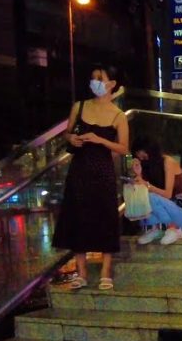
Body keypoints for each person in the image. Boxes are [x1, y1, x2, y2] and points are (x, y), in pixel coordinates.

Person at [53, 65, 129, 290]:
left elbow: (124, 147)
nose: (95, 82)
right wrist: (71, 139)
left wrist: (100, 140)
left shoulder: (117, 115)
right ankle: (81, 271)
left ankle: (106, 270)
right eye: (93, 78)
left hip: (102, 169)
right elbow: (67, 132)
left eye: (100, 78)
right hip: (80, 168)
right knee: (78, 216)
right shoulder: (80, 106)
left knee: (105, 216)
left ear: (111, 84)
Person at [131, 138, 182, 246]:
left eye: (143, 156)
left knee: (152, 197)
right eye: (139, 157)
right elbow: (144, 190)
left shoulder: (167, 161)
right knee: (145, 196)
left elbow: (167, 194)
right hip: (168, 209)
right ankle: (155, 229)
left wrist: (146, 184)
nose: (141, 159)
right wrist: (138, 173)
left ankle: (174, 229)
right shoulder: (148, 166)